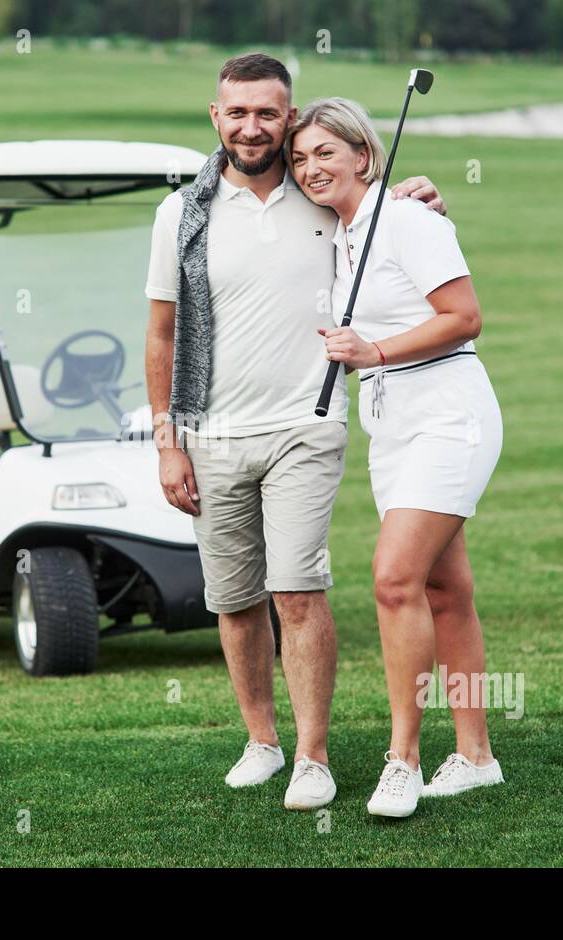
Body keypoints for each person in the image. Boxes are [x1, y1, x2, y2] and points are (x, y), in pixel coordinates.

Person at [144, 54, 445, 812]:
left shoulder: (320, 190)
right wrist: (167, 439)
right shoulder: (180, 215)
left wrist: (412, 197)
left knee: (297, 590)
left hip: (304, 428)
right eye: (237, 112)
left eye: (268, 113)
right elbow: (160, 335)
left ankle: (313, 755)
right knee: (234, 597)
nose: (253, 127)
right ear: (216, 117)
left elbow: (380, 217)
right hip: (208, 433)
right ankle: (262, 741)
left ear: (288, 115)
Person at [289, 96, 505, 818]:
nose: (310, 167)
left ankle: (402, 758)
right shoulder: (343, 230)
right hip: (392, 423)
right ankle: (476, 755)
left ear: (362, 154)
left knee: (393, 579)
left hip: (448, 413)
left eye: (325, 152)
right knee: (447, 590)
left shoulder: (408, 219)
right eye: (300, 158)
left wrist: (373, 350)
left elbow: (464, 316)